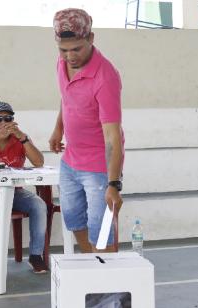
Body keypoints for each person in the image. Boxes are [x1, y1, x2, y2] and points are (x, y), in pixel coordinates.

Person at [49, 9, 125, 253]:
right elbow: (67, 97)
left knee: (100, 231)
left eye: (76, 49)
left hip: (97, 167)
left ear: (91, 38)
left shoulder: (105, 77)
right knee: (74, 219)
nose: (69, 56)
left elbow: (113, 136)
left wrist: (114, 184)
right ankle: (92, 268)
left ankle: (108, 283)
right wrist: (58, 129)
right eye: (63, 49)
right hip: (71, 161)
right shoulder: (62, 63)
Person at [0, 101, 49, 277]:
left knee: (39, 204)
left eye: (8, 118)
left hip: (14, 191)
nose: (4, 122)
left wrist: (24, 138)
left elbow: (39, 162)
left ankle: (36, 255)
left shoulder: (20, 138)